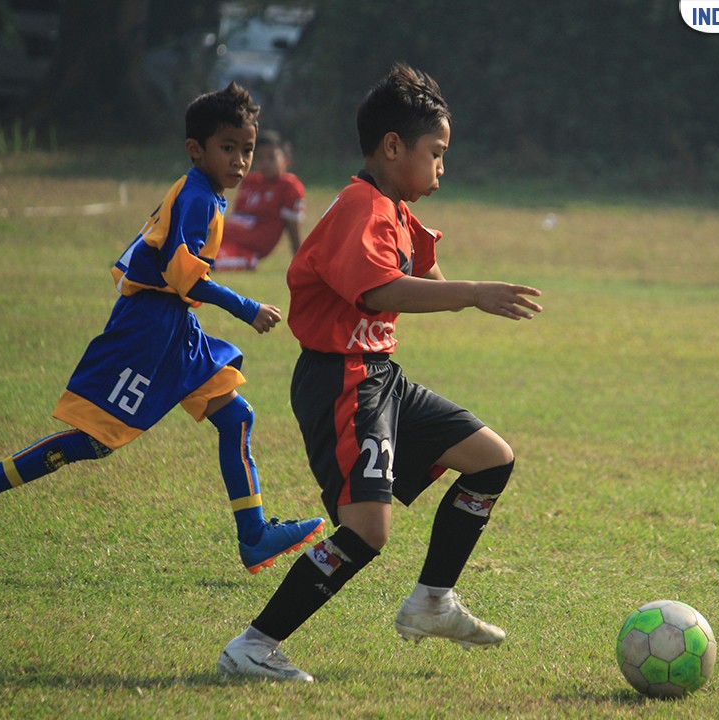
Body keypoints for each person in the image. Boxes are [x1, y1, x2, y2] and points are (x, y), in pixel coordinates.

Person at [217, 64, 543, 682]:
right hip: (341, 379)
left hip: (379, 375)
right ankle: (253, 646)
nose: (443, 166)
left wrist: (470, 291)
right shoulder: (361, 207)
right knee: (366, 530)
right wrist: (474, 293)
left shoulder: (394, 209)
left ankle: (432, 601)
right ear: (393, 147)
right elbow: (377, 292)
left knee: (491, 458)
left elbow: (424, 279)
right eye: (436, 153)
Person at [0, 83, 324, 574]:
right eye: (228, 148)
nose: (241, 160)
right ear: (195, 149)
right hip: (149, 330)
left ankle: (255, 536)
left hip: (174, 326)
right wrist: (245, 307)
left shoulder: (205, 192)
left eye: (247, 149)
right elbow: (184, 274)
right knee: (95, 441)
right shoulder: (200, 197)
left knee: (236, 416)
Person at [213, 129, 306, 271]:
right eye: (260, 158)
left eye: (271, 158)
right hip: (222, 239)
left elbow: (293, 229)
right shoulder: (250, 181)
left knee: (203, 262)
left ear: (286, 160)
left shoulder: (288, 186)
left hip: (245, 251)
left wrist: (300, 264)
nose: (265, 163)